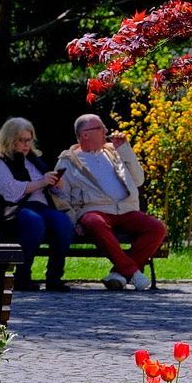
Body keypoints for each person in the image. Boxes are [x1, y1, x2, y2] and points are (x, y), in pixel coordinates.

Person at [55, 112, 168, 291]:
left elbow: (139, 180)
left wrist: (125, 150)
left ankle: (119, 274)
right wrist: (73, 219)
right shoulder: (66, 162)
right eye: (100, 128)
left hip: (125, 208)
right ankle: (133, 273)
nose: (106, 131)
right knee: (93, 222)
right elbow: (60, 197)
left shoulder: (115, 151)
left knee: (157, 228)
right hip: (95, 210)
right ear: (85, 134)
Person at [0, 117, 75, 292]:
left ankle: (54, 277)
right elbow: (9, 192)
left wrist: (55, 184)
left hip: (42, 207)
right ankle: (22, 276)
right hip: (14, 210)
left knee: (63, 223)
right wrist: (41, 182)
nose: (26, 144)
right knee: (34, 222)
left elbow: (46, 190)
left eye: (29, 140)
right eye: (22, 140)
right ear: (10, 140)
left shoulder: (34, 160)